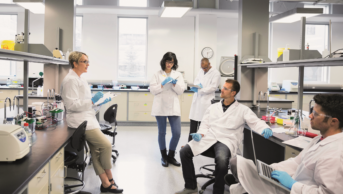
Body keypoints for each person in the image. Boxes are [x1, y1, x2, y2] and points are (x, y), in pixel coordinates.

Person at [228, 93, 343, 194]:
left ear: (333, 121)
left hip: (294, 190)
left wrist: (292, 184)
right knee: (241, 165)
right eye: (312, 111)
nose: (310, 116)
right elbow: (296, 162)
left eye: (316, 114)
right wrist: (271, 169)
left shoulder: (335, 155)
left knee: (240, 168)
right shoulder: (320, 139)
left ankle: (243, 182)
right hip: (293, 185)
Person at [175, 79, 273, 194]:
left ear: (233, 93)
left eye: (226, 88)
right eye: (223, 87)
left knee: (222, 160)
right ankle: (191, 186)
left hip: (226, 140)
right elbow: (205, 125)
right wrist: (200, 134)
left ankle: (218, 191)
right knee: (184, 151)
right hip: (209, 138)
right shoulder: (213, 107)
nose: (222, 89)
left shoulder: (242, 109)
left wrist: (265, 128)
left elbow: (255, 122)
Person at [61, 51, 123, 193]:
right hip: (80, 120)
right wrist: (92, 101)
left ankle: (106, 183)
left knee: (96, 151)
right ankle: (110, 179)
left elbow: (87, 103)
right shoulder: (70, 80)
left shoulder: (81, 79)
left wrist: (98, 103)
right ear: (75, 63)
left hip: (88, 118)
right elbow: (71, 106)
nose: (88, 64)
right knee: (106, 145)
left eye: (88, 61)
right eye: (84, 61)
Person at [150, 52, 186, 167]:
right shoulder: (157, 74)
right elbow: (152, 90)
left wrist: (174, 84)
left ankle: (171, 156)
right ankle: (164, 157)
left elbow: (181, 91)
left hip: (173, 107)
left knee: (177, 133)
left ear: (174, 63)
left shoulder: (178, 75)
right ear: (164, 61)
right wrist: (162, 84)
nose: (169, 64)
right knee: (162, 132)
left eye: (171, 62)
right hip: (160, 106)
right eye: (167, 61)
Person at [188, 58, 221, 141]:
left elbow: (213, 87)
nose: (204, 69)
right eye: (202, 68)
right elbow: (196, 81)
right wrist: (196, 86)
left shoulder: (216, 73)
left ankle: (203, 145)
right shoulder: (200, 71)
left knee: (204, 125)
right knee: (193, 124)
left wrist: (200, 90)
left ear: (209, 64)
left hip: (206, 101)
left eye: (205, 67)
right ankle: (190, 144)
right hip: (197, 101)